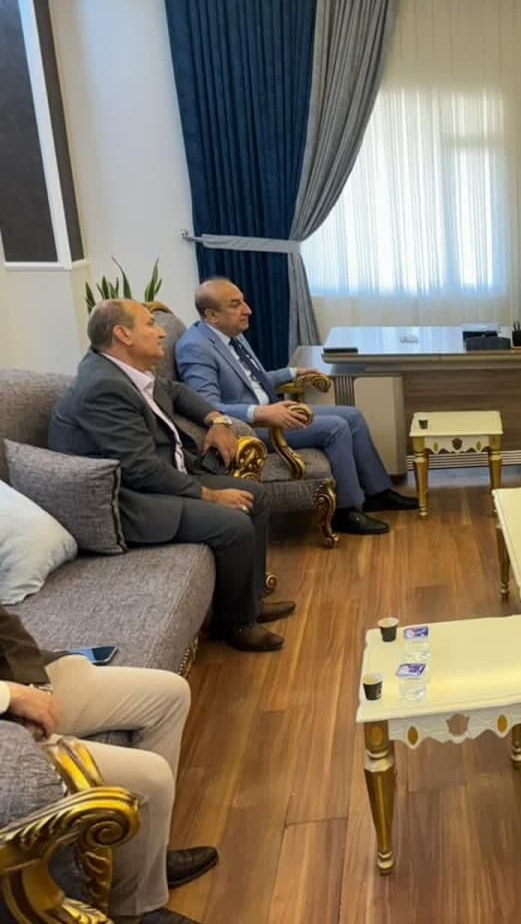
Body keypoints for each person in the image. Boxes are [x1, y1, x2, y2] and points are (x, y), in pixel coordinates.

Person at [49, 300, 291, 652]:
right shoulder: (103, 387)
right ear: (123, 334)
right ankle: (235, 624)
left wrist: (217, 419)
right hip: (125, 501)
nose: (161, 332)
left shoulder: (127, 370)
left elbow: (175, 391)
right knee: (233, 524)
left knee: (257, 496)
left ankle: (249, 603)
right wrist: (210, 495)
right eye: (150, 324)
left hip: (160, 479)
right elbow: (140, 469)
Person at [2, 608, 213, 924]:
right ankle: (135, 911)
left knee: (170, 695)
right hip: (7, 734)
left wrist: (33, 688)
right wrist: (10, 697)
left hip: (17, 680)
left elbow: (5, 625)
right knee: (150, 777)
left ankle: (150, 861)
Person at [174, 278, 416, 536]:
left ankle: (377, 493)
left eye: (244, 301)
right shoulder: (195, 347)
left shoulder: (231, 334)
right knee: (335, 428)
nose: (247, 310)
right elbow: (207, 405)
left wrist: (292, 372)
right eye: (236, 305)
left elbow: (252, 380)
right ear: (211, 315)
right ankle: (345, 512)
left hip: (271, 409)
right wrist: (261, 412)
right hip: (251, 427)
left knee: (352, 416)